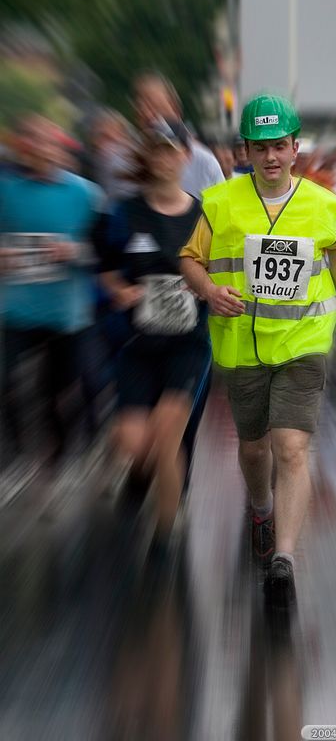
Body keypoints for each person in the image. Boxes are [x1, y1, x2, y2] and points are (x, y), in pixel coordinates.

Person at [181, 94, 336, 605]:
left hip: (303, 343)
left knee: (291, 446)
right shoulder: (219, 203)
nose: (270, 158)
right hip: (241, 348)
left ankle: (284, 556)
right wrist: (208, 289)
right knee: (254, 447)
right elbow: (190, 259)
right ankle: (260, 508)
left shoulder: (323, 203)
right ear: (245, 151)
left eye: (279, 147)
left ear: (295, 148)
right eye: (260, 148)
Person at [99, 124, 211, 559]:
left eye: (172, 151)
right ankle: (138, 472)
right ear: (146, 157)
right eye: (156, 151)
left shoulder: (205, 216)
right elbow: (105, 268)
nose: (164, 159)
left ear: (186, 156)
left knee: (168, 437)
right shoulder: (123, 212)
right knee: (134, 442)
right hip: (137, 345)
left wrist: (204, 287)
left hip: (188, 344)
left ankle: (166, 535)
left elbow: (221, 272)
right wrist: (120, 291)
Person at [0, 114, 102, 465]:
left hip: (64, 312)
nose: (39, 149)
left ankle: (59, 447)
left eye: (46, 143)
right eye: (31, 141)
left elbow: (107, 252)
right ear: (20, 147)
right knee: (5, 380)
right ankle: (10, 451)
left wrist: (75, 251)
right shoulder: (5, 188)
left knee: (57, 388)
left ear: (59, 149)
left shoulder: (86, 194)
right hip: (13, 308)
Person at [132, 71, 224, 198]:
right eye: (141, 109)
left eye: (156, 108)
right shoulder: (125, 161)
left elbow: (221, 212)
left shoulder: (204, 163)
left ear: (175, 109)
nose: (148, 115)